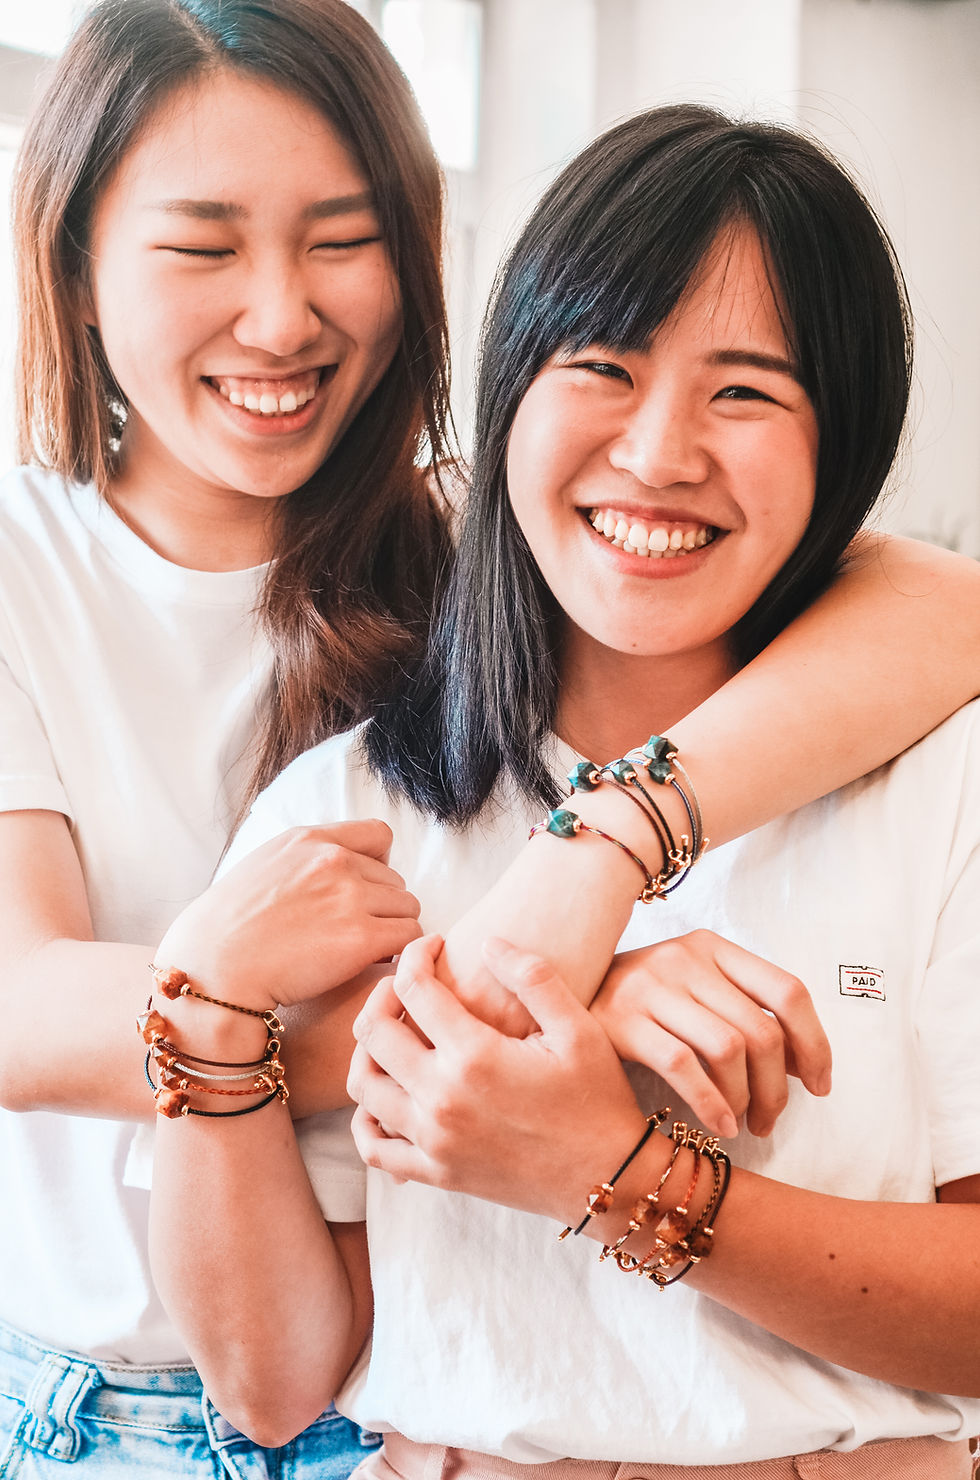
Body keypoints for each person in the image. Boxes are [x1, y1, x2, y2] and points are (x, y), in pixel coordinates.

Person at [148, 106, 980, 1477]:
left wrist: (616, 1169)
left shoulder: (942, 777)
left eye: (747, 391)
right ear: (511, 390)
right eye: (602, 365)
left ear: (846, 444)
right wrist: (208, 1010)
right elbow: (275, 1382)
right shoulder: (344, 807)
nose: (658, 453)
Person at [0, 1, 448, 1474]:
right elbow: (19, 1013)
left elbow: (925, 608)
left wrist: (206, 1021)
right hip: (79, 1422)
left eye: (340, 237)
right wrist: (255, 989)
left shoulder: (485, 566)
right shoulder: (19, 562)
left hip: (416, 1410)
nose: (282, 316)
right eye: (203, 248)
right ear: (72, 269)